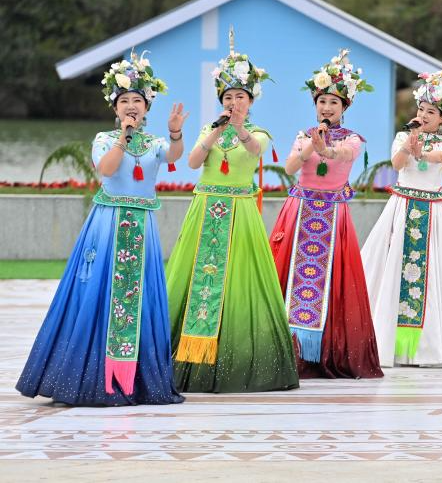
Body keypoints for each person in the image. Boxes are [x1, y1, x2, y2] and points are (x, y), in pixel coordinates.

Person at [17, 53, 186, 405]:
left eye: (137, 100)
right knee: (98, 291)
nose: (131, 106)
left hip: (141, 226)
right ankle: (91, 374)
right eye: (124, 101)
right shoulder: (105, 139)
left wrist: (175, 132)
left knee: (139, 297)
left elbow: (173, 156)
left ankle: (137, 378)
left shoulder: (155, 143)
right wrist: (123, 138)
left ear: (146, 107)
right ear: (115, 108)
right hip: (108, 224)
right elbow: (107, 170)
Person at [166, 34, 300, 392]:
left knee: (239, 280)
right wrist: (214, 133)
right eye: (228, 97)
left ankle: (239, 356)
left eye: (240, 96)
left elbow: (255, 151)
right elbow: (193, 161)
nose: (234, 102)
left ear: (251, 101)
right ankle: (186, 355)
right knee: (196, 279)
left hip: (239, 211)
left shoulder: (259, 132)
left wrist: (238, 128)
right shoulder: (208, 130)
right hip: (206, 208)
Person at [269, 50, 382, 378]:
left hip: (333, 216)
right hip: (300, 213)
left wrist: (326, 149)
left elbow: (343, 155)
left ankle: (326, 351)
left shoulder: (353, 139)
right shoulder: (303, 136)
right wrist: (311, 145)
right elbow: (290, 167)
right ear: (315, 104)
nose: (327, 107)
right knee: (289, 278)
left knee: (335, 282)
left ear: (345, 107)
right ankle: (290, 351)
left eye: (334, 102)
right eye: (322, 101)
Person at [361, 63, 442, 368]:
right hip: (401, 209)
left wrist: (421, 153)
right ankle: (387, 343)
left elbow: (439, 158)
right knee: (391, 268)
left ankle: (423, 348)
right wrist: (409, 145)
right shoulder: (403, 137)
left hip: (430, 213)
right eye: (422, 109)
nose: (424, 115)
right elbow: (397, 163)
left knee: (432, 276)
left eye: (431, 112)